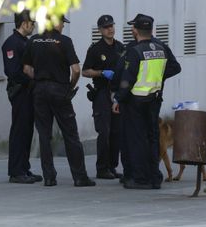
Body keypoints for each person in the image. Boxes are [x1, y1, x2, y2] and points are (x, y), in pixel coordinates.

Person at [22, 15, 96, 187]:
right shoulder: (64, 41)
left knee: (44, 134)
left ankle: (49, 177)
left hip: (39, 91)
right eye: (62, 22)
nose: (63, 25)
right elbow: (76, 70)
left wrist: (41, 79)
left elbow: (26, 68)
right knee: (70, 134)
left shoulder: (33, 40)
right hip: (60, 89)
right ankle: (79, 177)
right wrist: (69, 87)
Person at [112, 13, 181, 189]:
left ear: (135, 29)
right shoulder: (161, 47)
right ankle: (154, 177)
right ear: (151, 29)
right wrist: (158, 77)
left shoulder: (135, 51)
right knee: (152, 137)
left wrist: (118, 98)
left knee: (136, 139)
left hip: (135, 101)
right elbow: (175, 67)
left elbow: (127, 78)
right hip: (154, 99)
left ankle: (140, 178)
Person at [1, 10, 42, 184]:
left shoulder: (25, 42)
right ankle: (16, 171)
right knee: (19, 130)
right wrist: (30, 81)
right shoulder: (12, 43)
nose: (33, 26)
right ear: (24, 23)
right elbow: (12, 71)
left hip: (29, 91)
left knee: (27, 130)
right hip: (20, 91)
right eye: (32, 23)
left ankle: (24, 167)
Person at [82, 15, 124, 179]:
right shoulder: (95, 49)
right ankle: (102, 168)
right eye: (106, 27)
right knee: (104, 132)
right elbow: (85, 71)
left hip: (117, 94)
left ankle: (112, 166)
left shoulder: (120, 47)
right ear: (100, 30)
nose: (110, 29)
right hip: (101, 93)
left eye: (112, 26)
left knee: (116, 132)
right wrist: (101, 73)